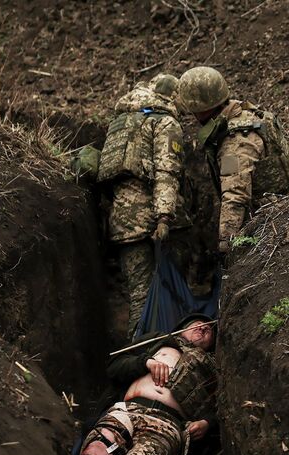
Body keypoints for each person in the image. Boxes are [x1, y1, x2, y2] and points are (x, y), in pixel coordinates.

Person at [69, 315, 218, 455]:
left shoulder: (214, 369)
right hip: (127, 410)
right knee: (99, 448)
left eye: (209, 330)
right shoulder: (156, 341)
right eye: (198, 324)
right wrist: (145, 362)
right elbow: (114, 365)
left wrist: (207, 423)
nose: (203, 328)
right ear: (182, 327)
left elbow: (223, 407)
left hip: (167, 425)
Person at [97, 73, 188, 335]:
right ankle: (165, 360)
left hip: (122, 222)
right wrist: (164, 217)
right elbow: (166, 171)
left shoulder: (121, 123)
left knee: (139, 296)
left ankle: (137, 360)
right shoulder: (165, 122)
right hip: (152, 220)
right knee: (169, 291)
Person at [175, 66, 289, 254]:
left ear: (198, 107)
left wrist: (225, 241)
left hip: (273, 216)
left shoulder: (234, 142)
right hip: (280, 204)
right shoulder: (241, 111)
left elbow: (235, 193)